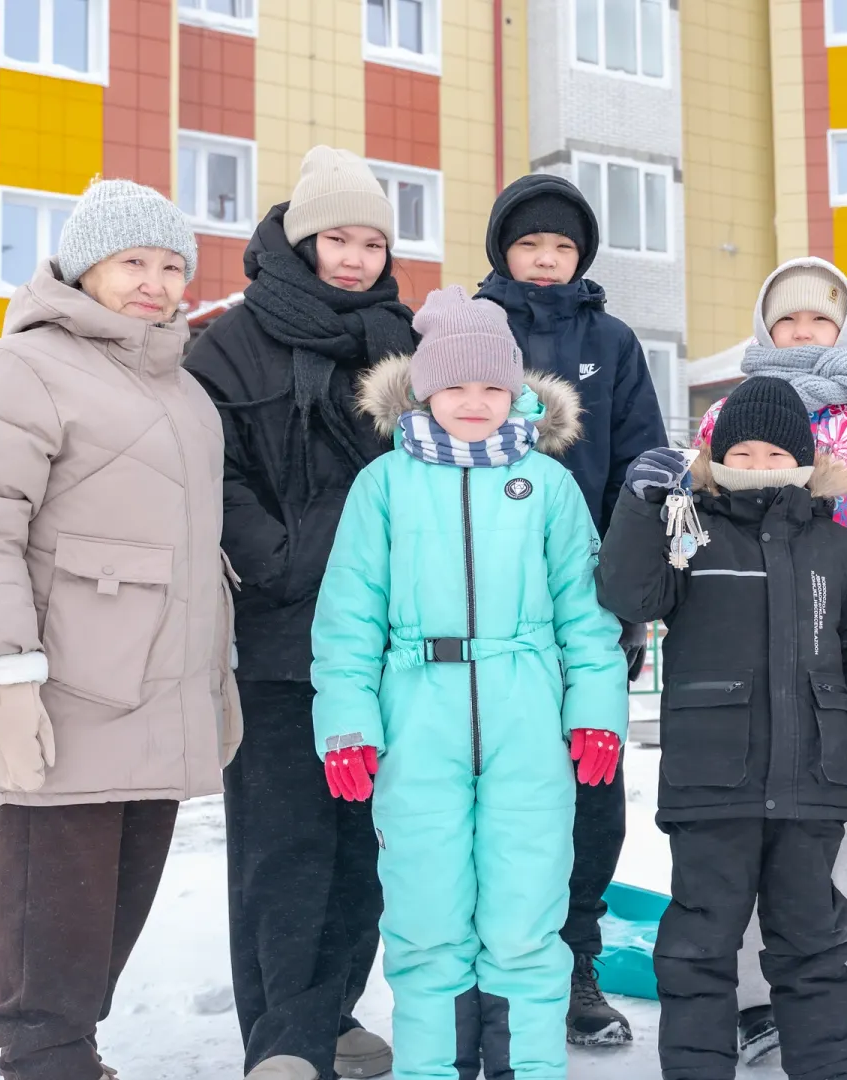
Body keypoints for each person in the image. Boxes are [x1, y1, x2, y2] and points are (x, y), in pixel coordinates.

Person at [0, 178, 239, 1080]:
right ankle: (44, 1062)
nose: (155, 282)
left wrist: (213, 678)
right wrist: (1, 672)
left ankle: (73, 1054)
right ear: (84, 264)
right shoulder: (19, 365)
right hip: (65, 691)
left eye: (172, 265)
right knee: (51, 924)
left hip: (162, 688)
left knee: (113, 914)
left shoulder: (181, 388)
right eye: (133, 262)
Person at [310, 285, 628, 1080]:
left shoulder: (548, 487)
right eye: (456, 386)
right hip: (418, 715)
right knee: (426, 915)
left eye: (493, 387)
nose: (476, 402)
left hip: (526, 714)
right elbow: (349, 618)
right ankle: (433, 1068)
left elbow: (586, 617)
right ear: (424, 390)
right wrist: (347, 721)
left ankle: (525, 1066)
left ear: (517, 390)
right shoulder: (384, 486)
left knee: (526, 913)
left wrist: (595, 711)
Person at [595, 377, 847, 1080]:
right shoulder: (690, 527)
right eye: (744, 450)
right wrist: (640, 509)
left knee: (813, 945)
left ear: (801, 459)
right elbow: (630, 594)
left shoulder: (836, 547)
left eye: (775, 452)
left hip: (810, 783)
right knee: (698, 946)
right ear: (717, 454)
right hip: (713, 783)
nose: (759, 464)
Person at [185, 145, 415, 1080]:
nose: (354, 258)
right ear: (297, 235)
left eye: (371, 242)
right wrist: (284, 557)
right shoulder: (230, 344)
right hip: (276, 638)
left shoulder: (402, 344)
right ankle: (278, 1039)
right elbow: (217, 476)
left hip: (382, 644)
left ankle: (329, 1014)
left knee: (362, 848)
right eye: (336, 238)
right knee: (282, 851)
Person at [694, 258, 847, 1069]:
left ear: (846, 327)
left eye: (819, 321)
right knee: (759, 836)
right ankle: (762, 998)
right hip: (748, 667)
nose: (803, 334)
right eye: (788, 321)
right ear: (766, 329)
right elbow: (691, 534)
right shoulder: (727, 416)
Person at [474, 171, 668, 1046]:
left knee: (591, 792)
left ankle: (576, 964)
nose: (547, 261)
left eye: (562, 246)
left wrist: (624, 601)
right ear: (503, 253)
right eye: (530, 245)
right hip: (478, 613)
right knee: (489, 796)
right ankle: (490, 977)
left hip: (584, 613)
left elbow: (643, 467)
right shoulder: (466, 333)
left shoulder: (613, 342)